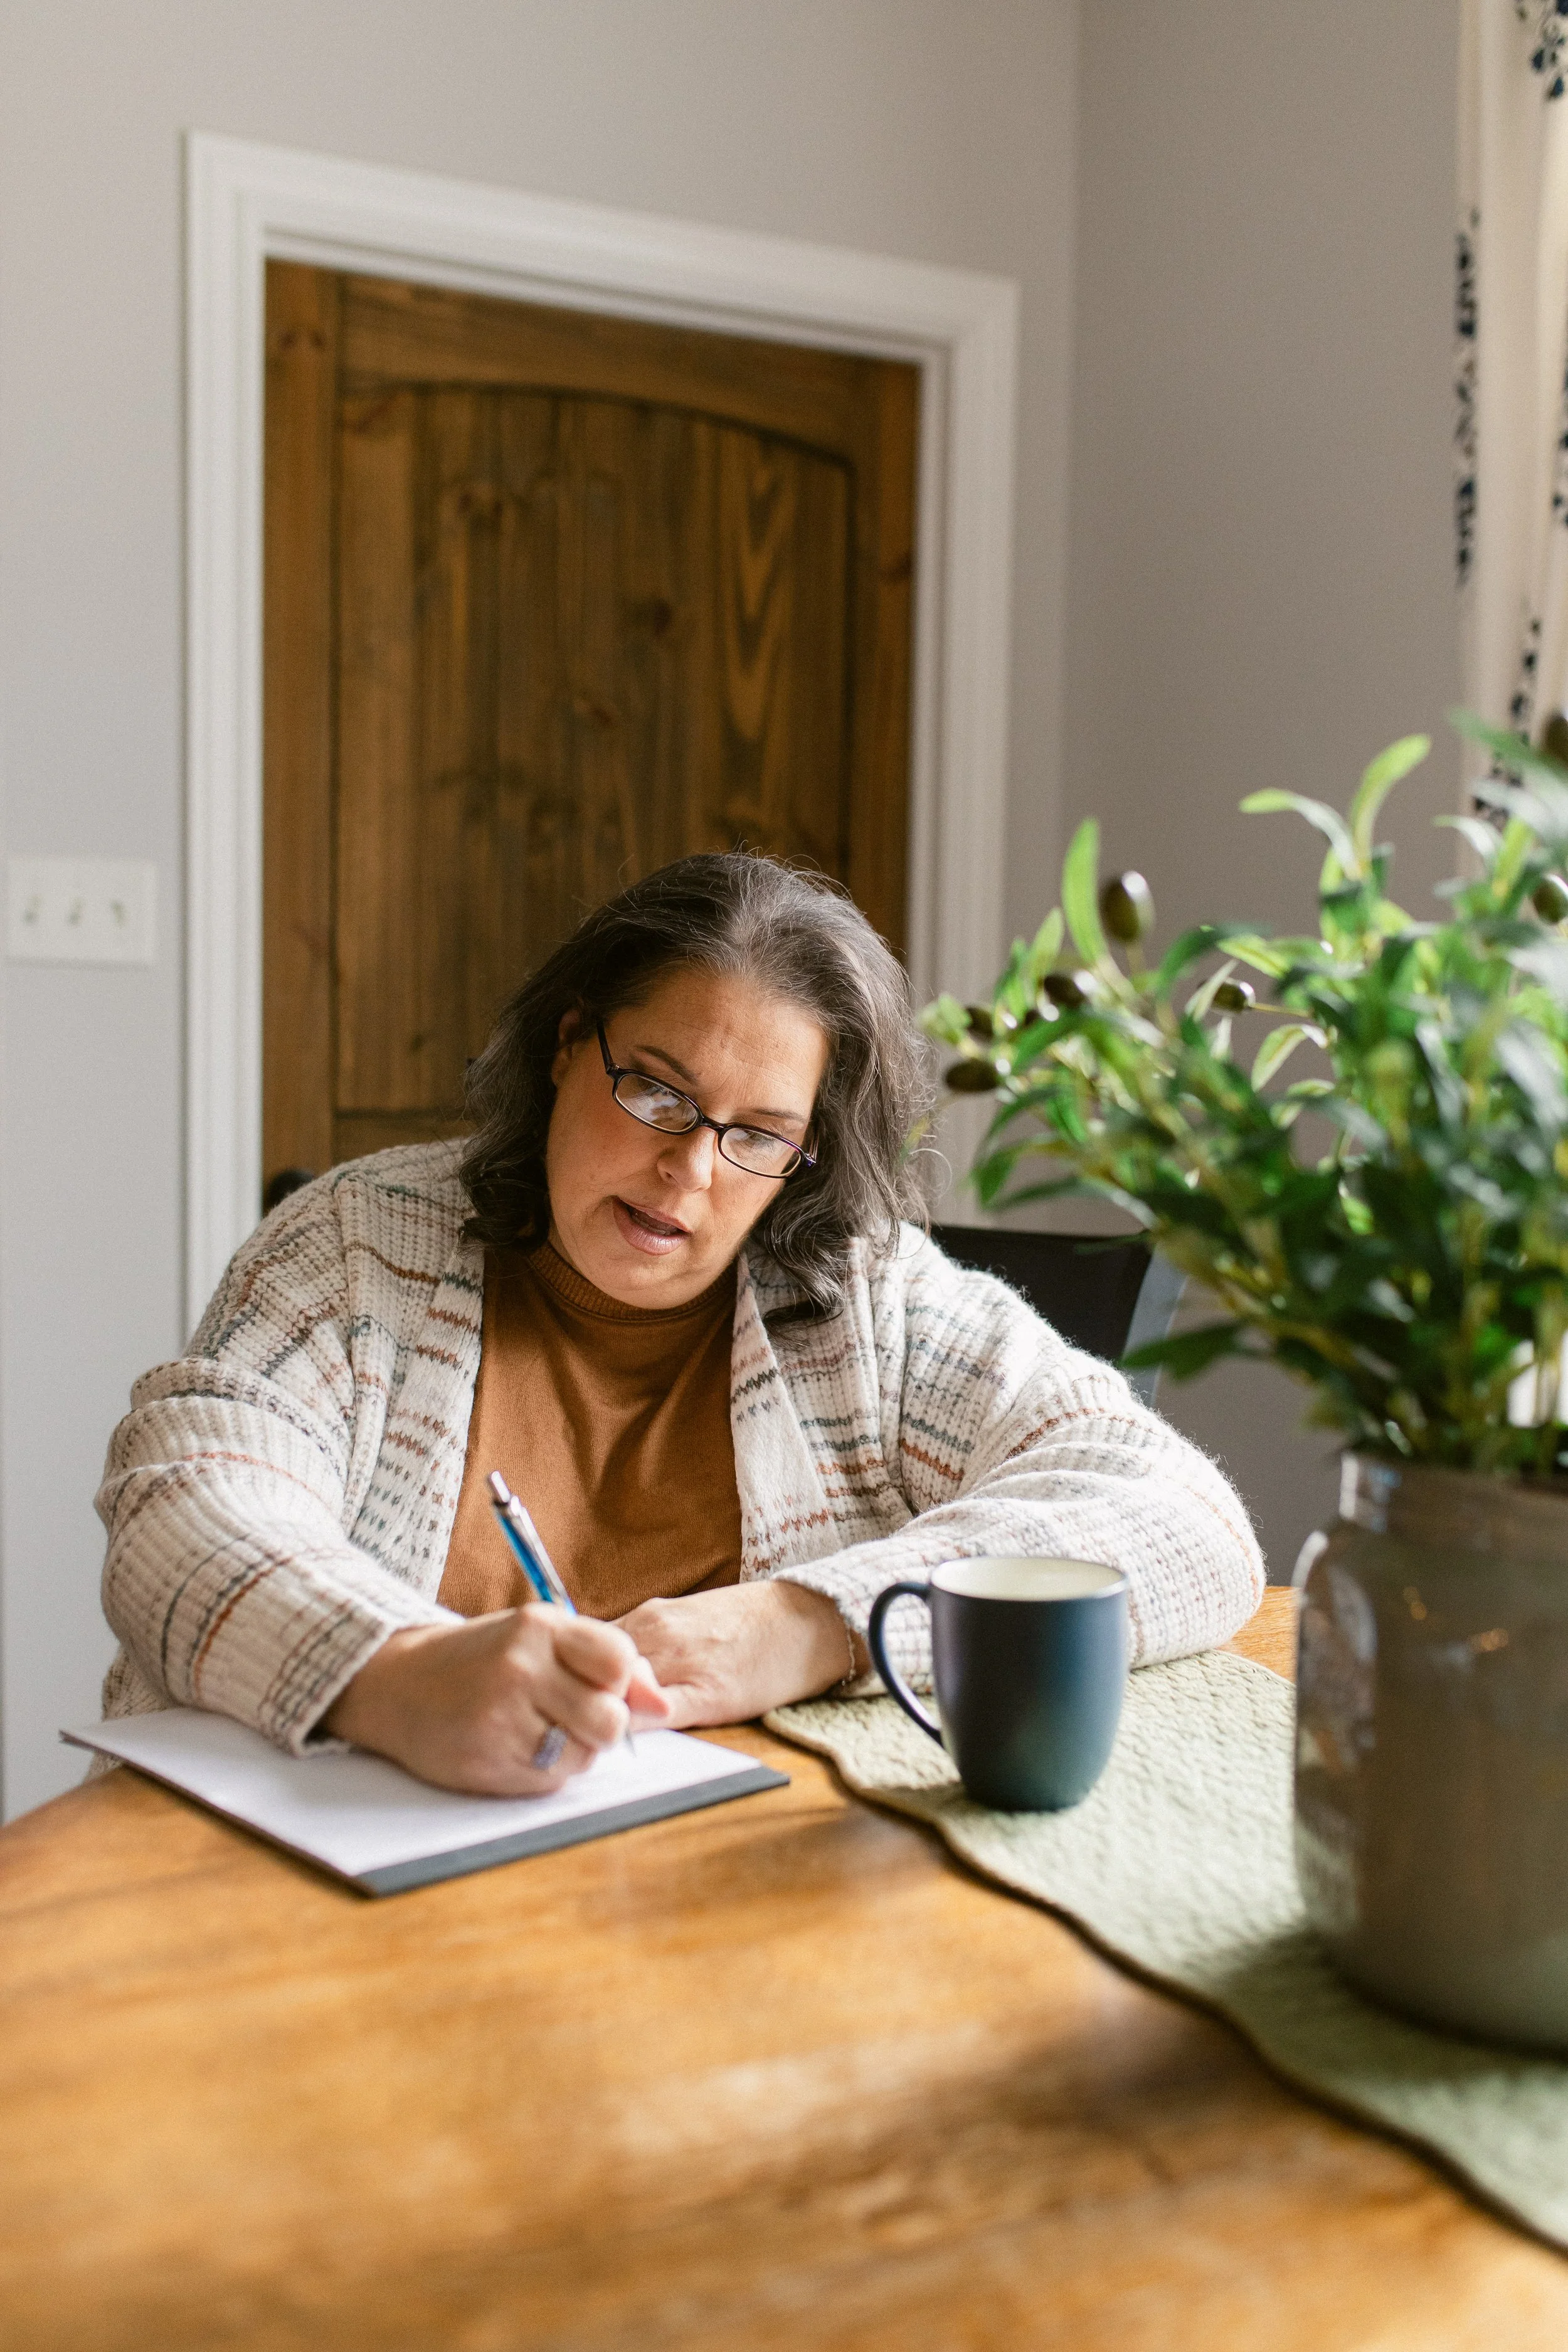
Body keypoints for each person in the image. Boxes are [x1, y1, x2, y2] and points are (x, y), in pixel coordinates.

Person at [97, 854, 1264, 1796]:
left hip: (722, 1912)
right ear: (567, 1048)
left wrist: (814, 1622)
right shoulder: (358, 1247)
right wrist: (394, 1673)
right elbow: (178, 1504)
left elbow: (1188, 1524)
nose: (688, 1171)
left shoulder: (865, 1300)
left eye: (758, 1133)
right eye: (655, 1087)